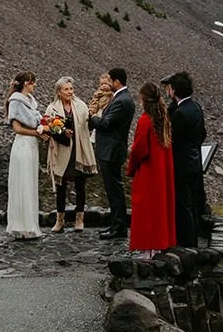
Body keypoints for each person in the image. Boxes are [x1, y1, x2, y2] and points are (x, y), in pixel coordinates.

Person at [44, 75, 99, 232]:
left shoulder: (81, 105)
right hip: (61, 149)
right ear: (59, 92)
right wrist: (61, 131)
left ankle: (79, 219)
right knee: (61, 186)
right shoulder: (52, 108)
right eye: (66, 89)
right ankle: (59, 220)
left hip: (78, 149)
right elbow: (49, 127)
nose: (69, 92)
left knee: (80, 184)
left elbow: (87, 125)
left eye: (71, 88)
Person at [127, 82, 175, 254]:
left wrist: (131, 166)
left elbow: (140, 149)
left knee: (145, 210)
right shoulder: (163, 119)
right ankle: (159, 245)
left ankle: (147, 248)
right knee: (159, 208)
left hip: (148, 171)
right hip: (162, 171)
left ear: (143, 99)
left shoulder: (145, 121)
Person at [89, 67, 134, 239]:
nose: (108, 84)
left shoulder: (121, 100)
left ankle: (119, 227)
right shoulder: (121, 98)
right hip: (111, 150)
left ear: (117, 82)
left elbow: (107, 124)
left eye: (110, 81)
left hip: (111, 150)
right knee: (113, 189)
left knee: (114, 190)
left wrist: (92, 118)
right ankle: (116, 225)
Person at [164, 71, 207, 248]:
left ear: (174, 90)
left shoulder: (180, 113)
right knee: (193, 204)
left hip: (181, 164)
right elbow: (203, 134)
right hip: (194, 162)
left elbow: (171, 139)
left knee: (183, 204)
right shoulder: (195, 107)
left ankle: (186, 242)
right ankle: (193, 239)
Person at [4, 70, 46, 240]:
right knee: (22, 182)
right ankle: (21, 225)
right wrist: (37, 132)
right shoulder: (16, 101)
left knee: (29, 182)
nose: (34, 85)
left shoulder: (30, 102)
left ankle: (29, 224)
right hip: (23, 143)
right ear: (26, 83)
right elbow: (17, 128)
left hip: (31, 145)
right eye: (32, 82)